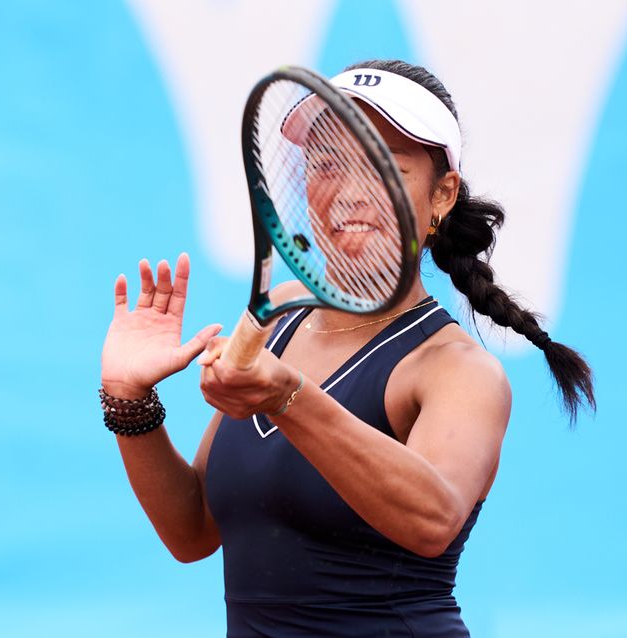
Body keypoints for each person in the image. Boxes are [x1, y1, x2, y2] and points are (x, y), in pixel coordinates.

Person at [99, 59, 595, 637]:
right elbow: (192, 531)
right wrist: (128, 400)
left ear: (441, 195)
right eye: (329, 163)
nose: (352, 190)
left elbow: (432, 520)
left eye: (385, 166)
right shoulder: (279, 317)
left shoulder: (460, 371)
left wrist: (289, 397)